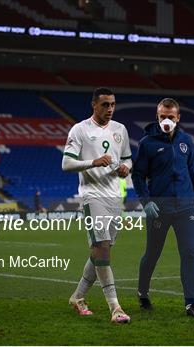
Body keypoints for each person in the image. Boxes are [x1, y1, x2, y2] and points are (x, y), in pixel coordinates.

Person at [132, 98, 194, 318]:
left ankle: (191, 304)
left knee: (189, 253)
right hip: (159, 208)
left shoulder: (186, 141)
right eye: (162, 117)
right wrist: (146, 201)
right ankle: (142, 293)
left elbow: (191, 172)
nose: (166, 120)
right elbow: (138, 175)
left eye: (171, 117)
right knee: (152, 254)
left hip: (185, 207)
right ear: (157, 117)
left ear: (178, 118)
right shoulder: (147, 143)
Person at [61, 87, 132, 324]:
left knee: (102, 250)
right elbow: (66, 164)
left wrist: (126, 168)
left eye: (112, 104)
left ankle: (78, 297)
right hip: (93, 197)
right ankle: (116, 307)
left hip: (114, 198)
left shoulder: (120, 129)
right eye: (105, 105)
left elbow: (127, 158)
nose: (110, 109)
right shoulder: (80, 129)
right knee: (102, 247)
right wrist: (94, 162)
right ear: (94, 105)